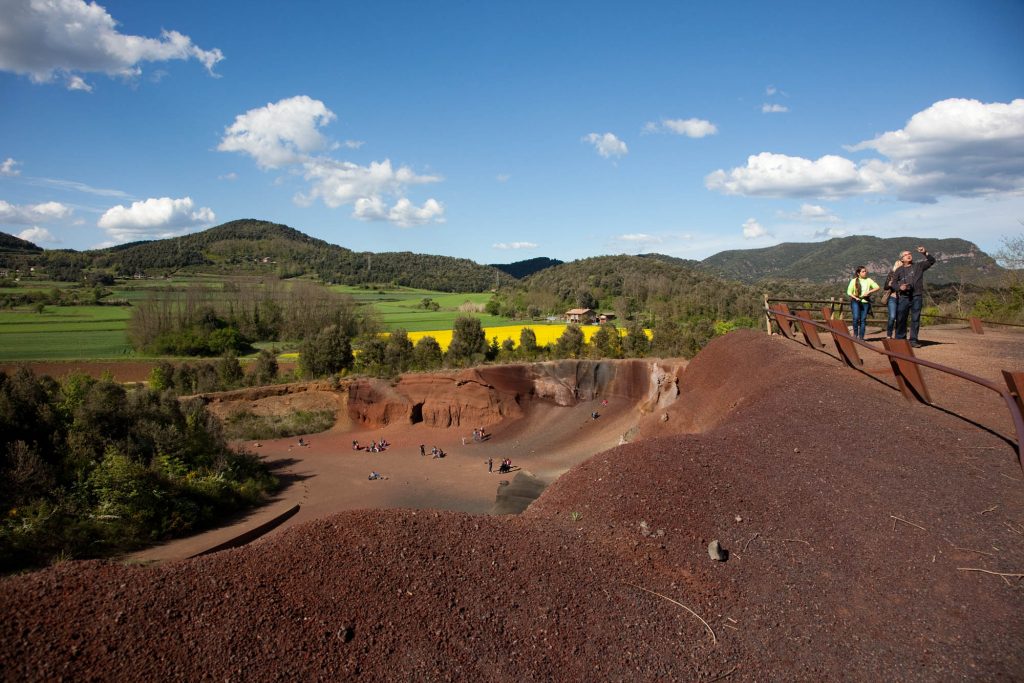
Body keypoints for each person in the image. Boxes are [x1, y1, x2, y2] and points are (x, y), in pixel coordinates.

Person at [893, 246, 936, 348]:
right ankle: (900, 339)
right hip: (904, 297)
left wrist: (925, 252)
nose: (909, 255)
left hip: (917, 296)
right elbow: (893, 283)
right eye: (906, 255)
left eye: (909, 254)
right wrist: (900, 287)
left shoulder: (919, 266)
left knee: (915, 319)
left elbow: (932, 261)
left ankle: (913, 340)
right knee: (901, 318)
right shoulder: (898, 270)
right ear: (902, 259)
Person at [846, 266, 879, 340]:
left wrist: (869, 291)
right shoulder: (854, 281)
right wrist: (855, 297)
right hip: (856, 301)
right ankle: (855, 334)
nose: (865, 273)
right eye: (863, 271)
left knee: (863, 319)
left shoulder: (869, 280)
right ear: (858, 273)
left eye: (865, 271)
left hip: (865, 301)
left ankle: (861, 337)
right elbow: (849, 292)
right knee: (856, 317)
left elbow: (877, 287)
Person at [882, 259, 902, 338]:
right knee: (892, 316)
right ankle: (889, 334)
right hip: (892, 297)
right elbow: (885, 287)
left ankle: (898, 335)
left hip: (902, 298)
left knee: (900, 317)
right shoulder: (891, 274)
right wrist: (890, 284)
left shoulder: (905, 275)